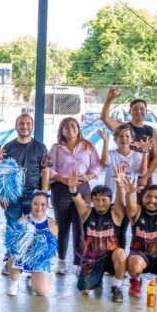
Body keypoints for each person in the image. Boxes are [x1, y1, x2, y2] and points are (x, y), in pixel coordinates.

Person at [48, 117, 98, 276]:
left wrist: (88, 176)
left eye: (73, 125)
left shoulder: (88, 146)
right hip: (61, 189)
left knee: (81, 227)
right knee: (62, 227)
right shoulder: (56, 148)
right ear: (61, 131)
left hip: (82, 189)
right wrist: (63, 179)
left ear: (78, 128)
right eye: (66, 127)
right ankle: (61, 261)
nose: (70, 129)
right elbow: (49, 169)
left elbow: (96, 166)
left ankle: (79, 262)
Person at [69, 176, 129, 302]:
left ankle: (117, 287)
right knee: (84, 291)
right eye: (96, 199)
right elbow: (77, 199)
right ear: (91, 200)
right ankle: (97, 279)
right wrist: (72, 187)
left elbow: (120, 200)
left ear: (110, 201)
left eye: (104, 200)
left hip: (110, 258)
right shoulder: (86, 212)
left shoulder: (116, 214)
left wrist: (120, 185)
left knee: (121, 253)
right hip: (91, 260)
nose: (100, 203)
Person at [3, 114, 51, 268]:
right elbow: (3, 173)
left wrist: (43, 193)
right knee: (13, 228)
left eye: (28, 123)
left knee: (34, 229)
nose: (25, 126)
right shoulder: (8, 147)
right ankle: (10, 261)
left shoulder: (41, 147)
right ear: (16, 126)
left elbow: (45, 171)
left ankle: (32, 262)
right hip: (13, 197)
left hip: (33, 196)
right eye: (21, 123)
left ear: (32, 126)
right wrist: (4, 194)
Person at [121, 179, 157, 300]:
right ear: (143, 198)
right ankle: (136, 280)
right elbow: (130, 208)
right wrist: (129, 193)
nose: (152, 200)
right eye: (148, 196)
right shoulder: (137, 211)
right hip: (140, 254)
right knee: (134, 266)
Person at [99, 86, 157, 189]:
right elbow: (104, 118)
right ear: (130, 112)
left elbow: (156, 157)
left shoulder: (151, 131)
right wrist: (109, 100)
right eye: (135, 109)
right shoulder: (123, 128)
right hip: (123, 175)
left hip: (143, 176)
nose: (138, 111)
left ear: (146, 111)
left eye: (142, 109)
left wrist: (145, 177)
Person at [6, 191, 59, 297]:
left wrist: (39, 247)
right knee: (13, 255)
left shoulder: (51, 224)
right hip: (24, 255)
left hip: (40, 258)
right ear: (31, 204)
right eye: (35, 204)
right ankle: (14, 282)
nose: (39, 208)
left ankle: (33, 276)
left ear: (47, 206)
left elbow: (51, 250)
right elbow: (14, 245)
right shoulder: (23, 220)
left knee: (41, 291)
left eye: (43, 204)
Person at [98, 125, 150, 196]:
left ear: (132, 139)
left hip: (129, 197)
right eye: (121, 136)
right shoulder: (110, 154)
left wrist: (145, 153)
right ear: (115, 139)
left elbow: (142, 172)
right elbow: (104, 163)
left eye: (127, 136)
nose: (124, 139)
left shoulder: (137, 156)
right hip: (111, 196)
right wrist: (106, 142)